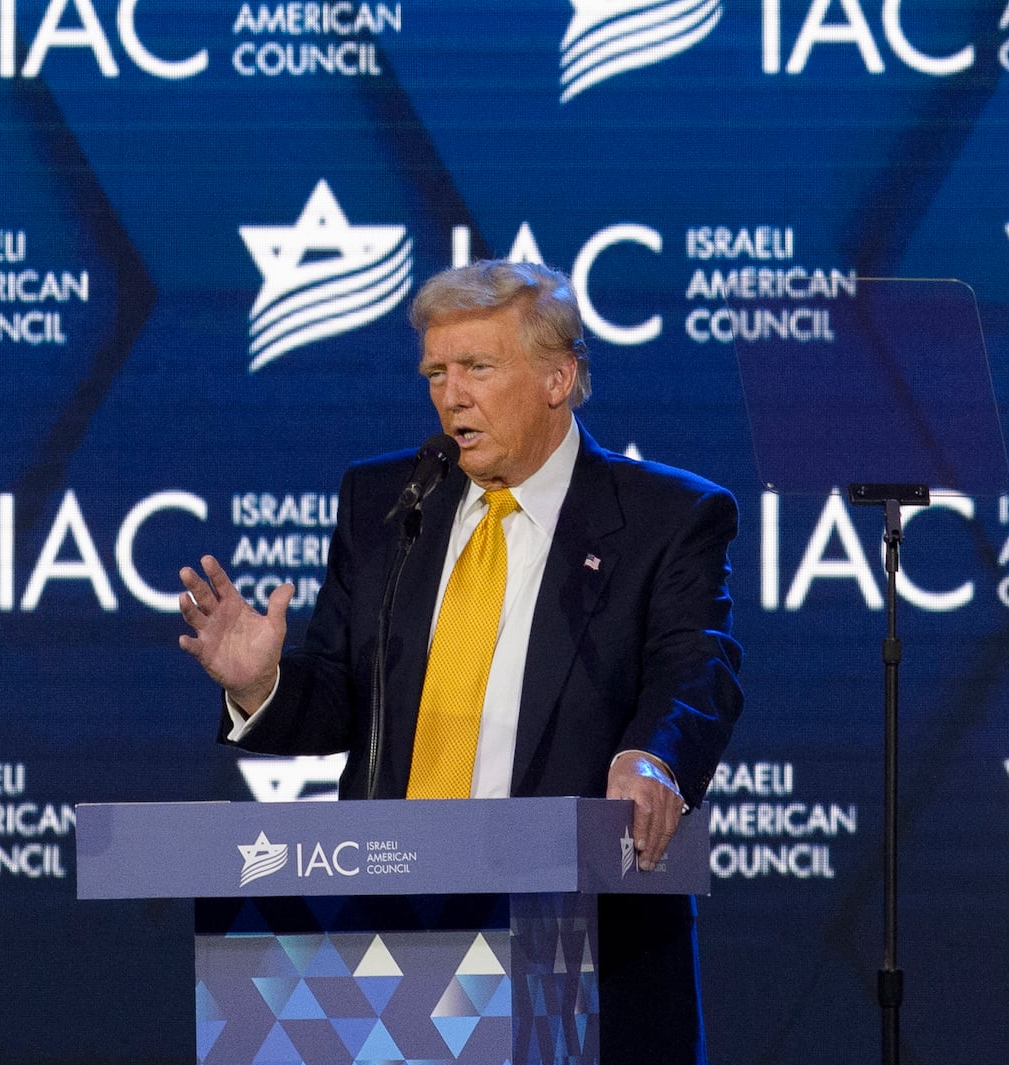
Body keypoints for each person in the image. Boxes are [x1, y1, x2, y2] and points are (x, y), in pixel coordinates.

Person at [177, 259, 743, 1064]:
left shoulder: (667, 516)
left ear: (559, 377)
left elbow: (698, 667)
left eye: (477, 367)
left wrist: (652, 755)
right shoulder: (388, 502)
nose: (451, 394)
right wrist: (263, 683)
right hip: (384, 955)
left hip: (578, 947)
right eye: (436, 371)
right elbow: (342, 697)